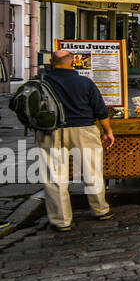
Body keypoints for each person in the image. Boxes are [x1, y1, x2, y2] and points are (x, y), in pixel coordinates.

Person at [36, 49, 116, 231]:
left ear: (52, 62)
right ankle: (100, 209)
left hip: (50, 131)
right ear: (72, 62)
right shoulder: (84, 82)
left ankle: (61, 220)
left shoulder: (41, 82)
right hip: (83, 130)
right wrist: (108, 131)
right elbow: (100, 110)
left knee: (54, 176)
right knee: (92, 171)